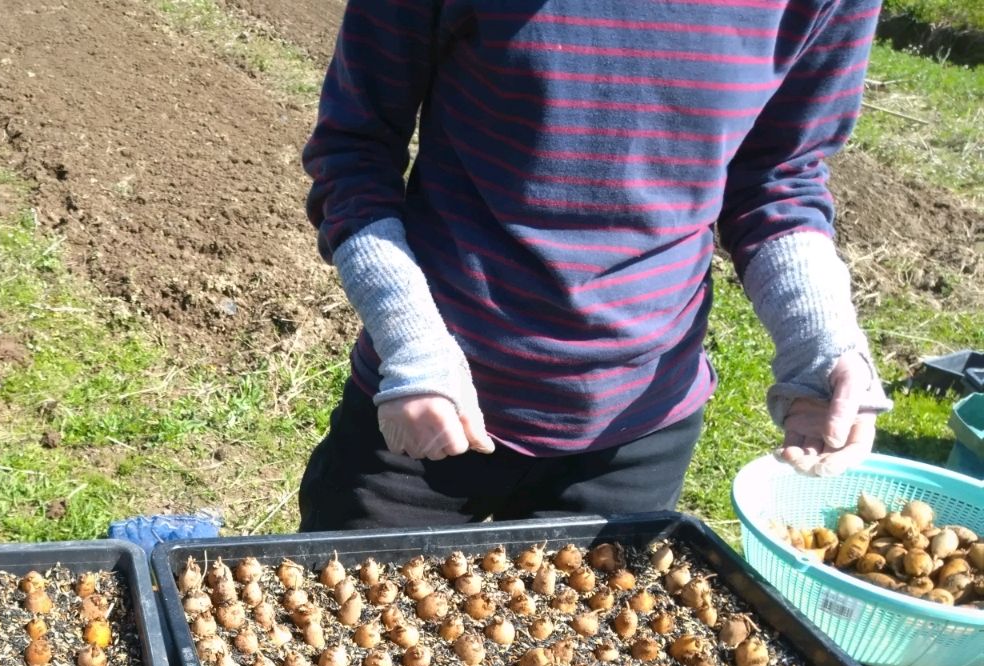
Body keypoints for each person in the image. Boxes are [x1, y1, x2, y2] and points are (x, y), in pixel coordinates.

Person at [299, 0, 889, 531]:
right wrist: (412, 343)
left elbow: (777, 181)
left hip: (636, 430)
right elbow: (354, 154)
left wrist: (821, 344)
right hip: (429, 398)